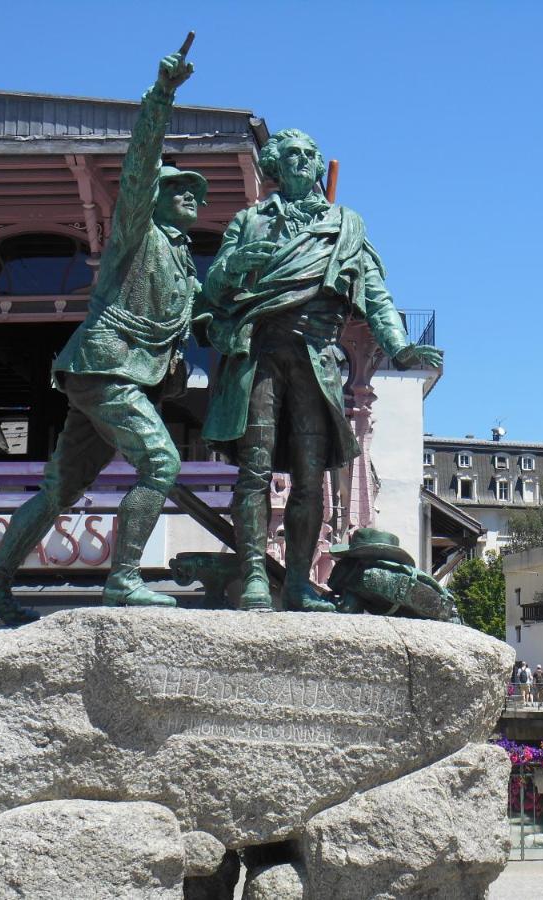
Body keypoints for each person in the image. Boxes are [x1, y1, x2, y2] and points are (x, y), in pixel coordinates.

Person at [0, 49, 202, 624]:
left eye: (196, 191)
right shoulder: (136, 231)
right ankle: (123, 583)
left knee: (58, 491)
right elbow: (141, 162)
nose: (193, 196)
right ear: (157, 200)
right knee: (161, 465)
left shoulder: (186, 263)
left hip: (123, 377)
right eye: (181, 190)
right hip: (107, 367)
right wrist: (161, 97)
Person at [196, 129, 443, 612]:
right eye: (294, 156)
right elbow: (212, 292)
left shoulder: (347, 225)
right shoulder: (249, 222)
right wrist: (232, 267)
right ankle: (250, 574)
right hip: (260, 355)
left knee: (313, 477)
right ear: (276, 167)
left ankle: (297, 583)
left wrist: (402, 347)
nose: (305, 162)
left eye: (311, 155)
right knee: (254, 469)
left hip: (318, 354)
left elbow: (375, 293)